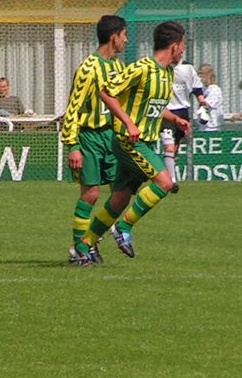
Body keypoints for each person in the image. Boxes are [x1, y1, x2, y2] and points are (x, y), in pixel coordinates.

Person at [71, 21, 191, 266]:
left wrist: (175, 119)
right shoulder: (142, 68)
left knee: (120, 199)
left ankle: (85, 244)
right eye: (183, 47)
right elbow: (106, 92)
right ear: (175, 46)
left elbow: (152, 107)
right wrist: (127, 122)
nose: (183, 52)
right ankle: (123, 226)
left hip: (144, 141)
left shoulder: (167, 73)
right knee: (165, 183)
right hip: (130, 142)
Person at [61, 15, 128, 264]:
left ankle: (90, 240)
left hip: (113, 138)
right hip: (89, 137)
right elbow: (73, 108)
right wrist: (73, 146)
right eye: (124, 35)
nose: (126, 40)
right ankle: (80, 248)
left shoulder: (121, 68)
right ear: (114, 37)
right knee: (91, 194)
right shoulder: (88, 68)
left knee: (121, 194)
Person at [160, 58, 208, 193]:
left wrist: (203, 104)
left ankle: (169, 173)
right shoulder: (160, 67)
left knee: (174, 148)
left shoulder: (188, 68)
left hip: (182, 112)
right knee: (168, 147)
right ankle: (172, 181)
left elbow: (197, 89)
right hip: (166, 112)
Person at [197, 63, 224, 132]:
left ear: (209, 75)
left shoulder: (215, 89)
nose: (199, 76)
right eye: (198, 74)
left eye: (201, 74)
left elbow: (206, 105)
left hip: (212, 127)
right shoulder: (203, 89)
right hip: (203, 126)